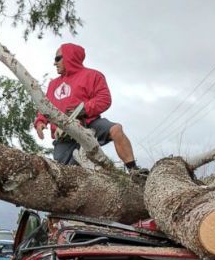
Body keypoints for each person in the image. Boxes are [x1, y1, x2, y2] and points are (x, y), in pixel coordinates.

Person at [34, 43, 142, 173]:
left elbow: (104, 99)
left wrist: (83, 109)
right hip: (63, 135)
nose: (54, 63)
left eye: (57, 59)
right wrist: (40, 121)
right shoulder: (53, 84)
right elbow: (45, 107)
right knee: (64, 173)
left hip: (90, 124)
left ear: (69, 57)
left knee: (116, 129)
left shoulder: (93, 75)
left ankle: (134, 171)